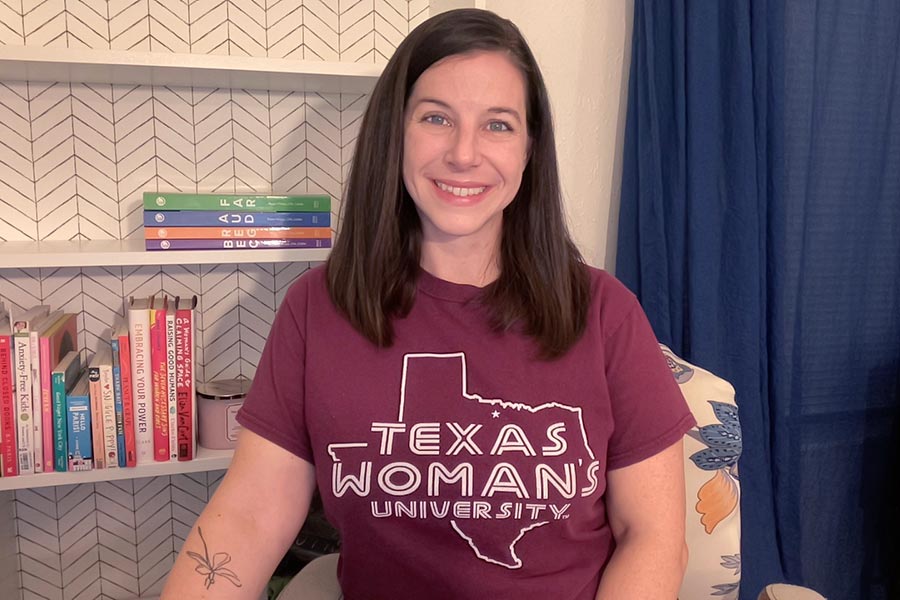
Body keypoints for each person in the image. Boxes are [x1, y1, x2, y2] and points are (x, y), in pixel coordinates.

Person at [161, 8, 694, 600]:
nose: (464, 154)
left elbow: (653, 536)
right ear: (396, 131)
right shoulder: (317, 308)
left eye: (498, 125)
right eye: (437, 117)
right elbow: (249, 517)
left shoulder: (605, 312)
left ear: (529, 149)